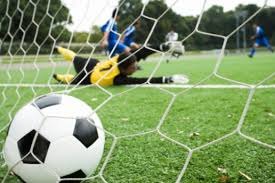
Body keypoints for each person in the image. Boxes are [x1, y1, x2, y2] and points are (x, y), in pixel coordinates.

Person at [53, 46, 188, 86]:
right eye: (133, 67)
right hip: (88, 76)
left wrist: (163, 47)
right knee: (73, 80)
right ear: (123, 69)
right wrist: (167, 79)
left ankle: (59, 51)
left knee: (75, 57)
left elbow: (142, 51)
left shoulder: (123, 58)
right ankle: (61, 74)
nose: (135, 67)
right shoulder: (118, 78)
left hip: (94, 64)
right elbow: (143, 81)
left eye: (135, 65)